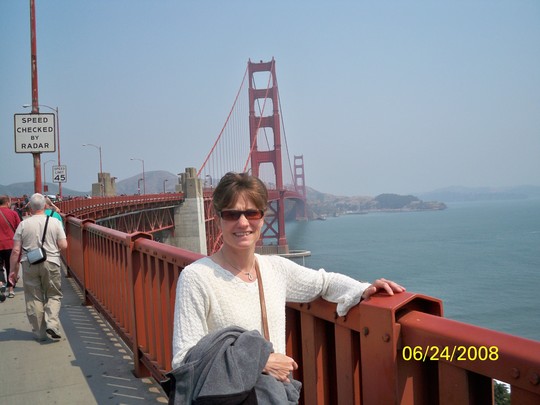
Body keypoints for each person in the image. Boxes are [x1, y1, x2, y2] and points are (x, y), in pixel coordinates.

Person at [170, 172, 405, 401]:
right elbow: (184, 360)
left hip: (270, 396)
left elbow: (324, 282)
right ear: (218, 219)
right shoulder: (196, 277)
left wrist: (363, 289)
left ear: (263, 218)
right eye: (232, 214)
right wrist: (261, 362)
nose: (243, 222)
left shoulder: (275, 269)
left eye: (251, 213)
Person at [9, 193, 67, 342]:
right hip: (51, 262)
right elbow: (63, 245)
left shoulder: (23, 224)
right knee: (53, 294)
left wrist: (12, 271)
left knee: (34, 297)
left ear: (30, 207)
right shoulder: (55, 222)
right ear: (45, 206)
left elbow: (16, 250)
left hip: (29, 263)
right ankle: (52, 323)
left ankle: (40, 333)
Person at [0, 195, 22, 300]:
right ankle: (11, 290)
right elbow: (19, 229)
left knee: (0, 268)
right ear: (8, 202)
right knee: (10, 267)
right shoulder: (13, 213)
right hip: (10, 244)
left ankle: (0, 284)